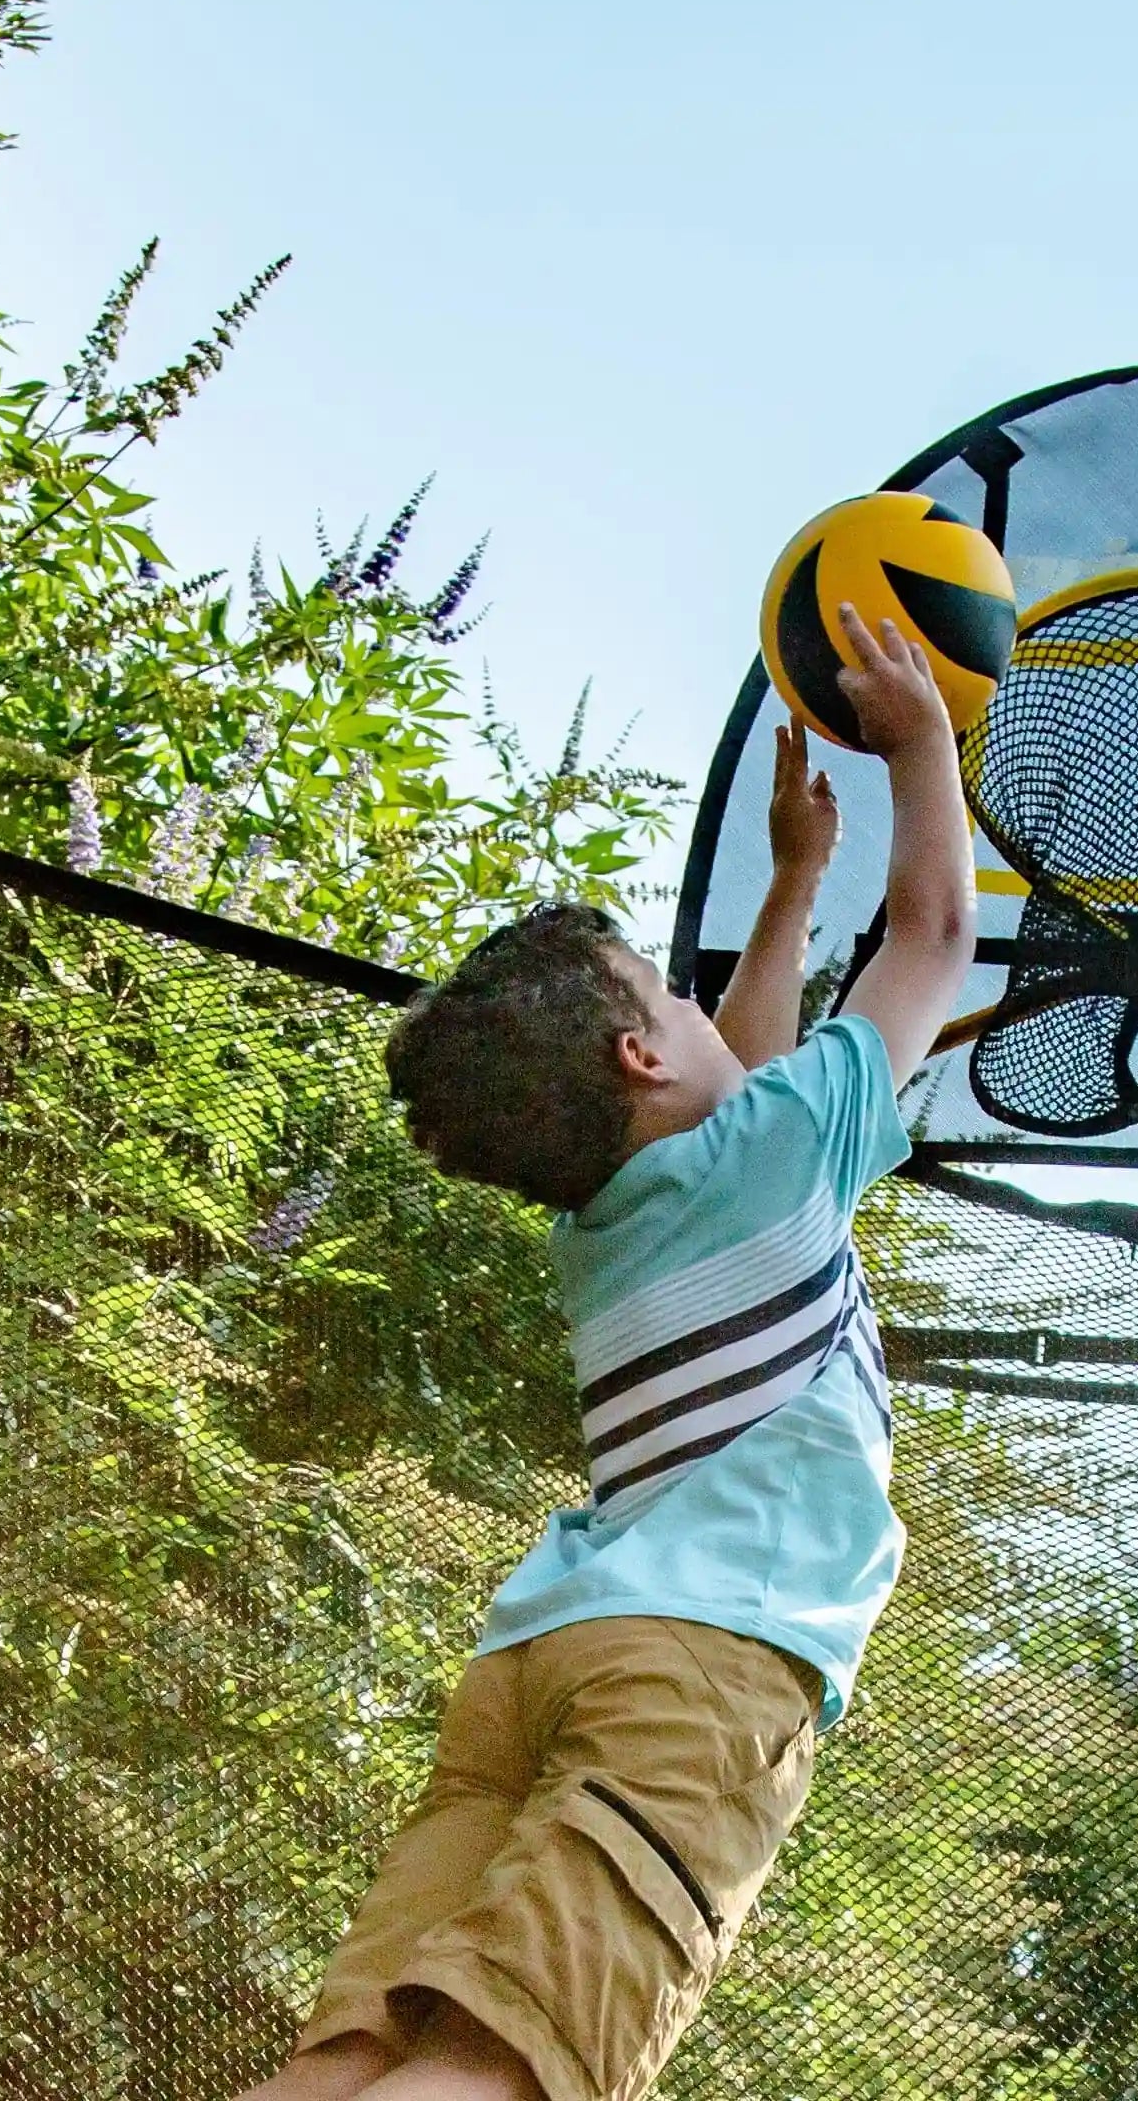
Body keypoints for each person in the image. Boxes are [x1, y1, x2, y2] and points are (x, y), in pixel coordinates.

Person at [239, 602, 976, 2101]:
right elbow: (937, 937)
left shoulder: (608, 1225)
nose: (709, 1013)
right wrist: (925, 746)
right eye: (672, 997)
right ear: (646, 1056)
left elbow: (746, 1072)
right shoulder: (764, 1161)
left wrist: (792, 889)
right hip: (694, 1667)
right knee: (504, 2069)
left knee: (361, 2050)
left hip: (540, 1658)